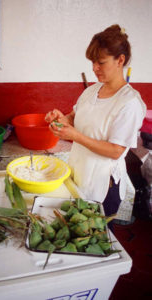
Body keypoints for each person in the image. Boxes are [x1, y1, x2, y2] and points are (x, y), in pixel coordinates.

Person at [45, 24, 146, 230]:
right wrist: (61, 119)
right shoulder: (92, 91)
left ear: (120, 60)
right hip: (79, 174)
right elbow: (75, 118)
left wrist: (75, 135)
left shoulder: (129, 103)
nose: (94, 68)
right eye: (92, 62)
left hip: (102, 186)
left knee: (92, 238)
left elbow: (116, 151)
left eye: (101, 62)